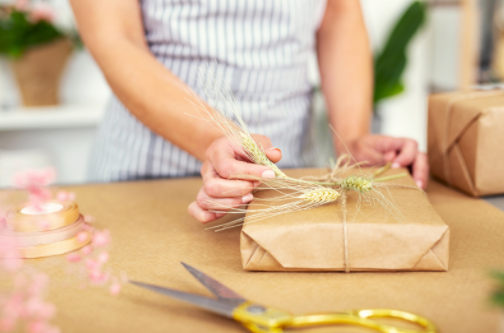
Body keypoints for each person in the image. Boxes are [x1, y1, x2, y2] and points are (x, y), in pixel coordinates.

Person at [70, 0, 428, 224]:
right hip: (148, 177)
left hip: (288, 180)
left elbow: (338, 13)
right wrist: (216, 139)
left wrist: (352, 140)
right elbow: (115, 39)